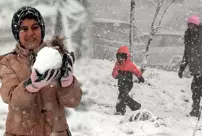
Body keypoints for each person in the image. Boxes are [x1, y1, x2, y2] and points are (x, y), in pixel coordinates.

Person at [0, 6, 82, 136]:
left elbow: (73, 101)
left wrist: (67, 83)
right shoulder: (8, 62)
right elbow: (10, 98)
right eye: (24, 29)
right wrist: (31, 86)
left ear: (41, 29)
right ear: (17, 33)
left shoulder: (56, 56)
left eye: (35, 27)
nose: (30, 33)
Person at [178, 15, 202, 117]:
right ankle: (195, 110)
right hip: (196, 70)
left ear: (196, 25)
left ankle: (196, 110)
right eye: (189, 25)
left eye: (192, 25)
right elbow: (186, 54)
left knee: (197, 90)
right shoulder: (188, 37)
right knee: (195, 90)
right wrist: (182, 68)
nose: (190, 27)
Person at [112, 45, 145, 115]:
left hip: (128, 83)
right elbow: (114, 73)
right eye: (119, 58)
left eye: (122, 58)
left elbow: (136, 71)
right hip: (120, 83)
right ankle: (121, 110)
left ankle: (135, 107)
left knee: (123, 95)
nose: (120, 60)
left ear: (126, 57)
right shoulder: (117, 65)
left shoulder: (130, 64)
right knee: (122, 96)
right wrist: (118, 75)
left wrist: (140, 77)